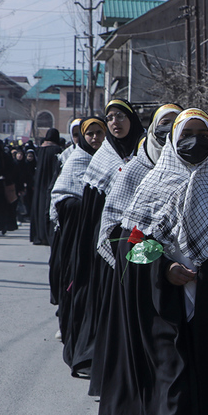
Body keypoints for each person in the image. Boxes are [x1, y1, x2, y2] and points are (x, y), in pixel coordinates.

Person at [88, 103, 181, 399]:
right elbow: (116, 230)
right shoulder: (136, 170)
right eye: (163, 123)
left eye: (175, 122)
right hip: (138, 274)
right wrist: (157, 261)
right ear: (152, 128)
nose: (168, 129)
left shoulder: (195, 167)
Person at [62, 99, 144, 378]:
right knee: (103, 299)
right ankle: (94, 358)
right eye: (110, 117)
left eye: (121, 116)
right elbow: (90, 209)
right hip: (104, 242)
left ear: (132, 119)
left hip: (137, 239)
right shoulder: (102, 159)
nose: (115, 122)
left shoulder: (146, 154)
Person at [49, 117, 106, 334]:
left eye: (98, 133)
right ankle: (70, 325)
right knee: (73, 279)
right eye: (89, 134)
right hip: (76, 234)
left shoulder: (111, 159)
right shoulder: (76, 160)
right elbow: (61, 196)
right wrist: (87, 206)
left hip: (102, 234)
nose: (94, 138)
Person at [30, 128, 63, 245]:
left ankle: (38, 235)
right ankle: (47, 235)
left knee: (38, 206)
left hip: (39, 182)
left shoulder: (40, 149)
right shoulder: (57, 150)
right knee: (47, 207)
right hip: (51, 182)